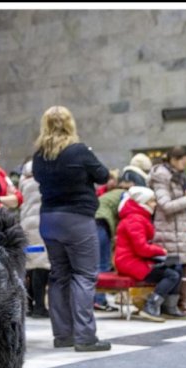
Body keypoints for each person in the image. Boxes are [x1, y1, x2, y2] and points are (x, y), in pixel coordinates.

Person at [32, 105, 111, 352]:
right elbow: (104, 175)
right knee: (84, 275)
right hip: (77, 219)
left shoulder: (39, 156)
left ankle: (63, 335)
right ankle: (85, 337)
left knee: (59, 276)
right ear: (70, 124)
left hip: (49, 219)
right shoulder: (79, 151)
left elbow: (37, 179)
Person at [148, 146, 186, 317]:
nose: (185, 164)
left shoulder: (179, 177)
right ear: (173, 159)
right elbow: (165, 206)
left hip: (181, 230)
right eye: (183, 160)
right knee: (178, 268)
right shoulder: (161, 176)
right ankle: (173, 304)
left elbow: (181, 204)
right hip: (168, 231)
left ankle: (180, 303)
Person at [114, 187, 186, 322]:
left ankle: (169, 307)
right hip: (130, 262)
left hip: (137, 260)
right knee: (172, 275)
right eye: (152, 201)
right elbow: (141, 248)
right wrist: (160, 251)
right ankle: (151, 305)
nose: (155, 204)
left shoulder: (139, 217)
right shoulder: (135, 219)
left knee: (177, 265)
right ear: (143, 202)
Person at [93, 174, 136, 311]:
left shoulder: (114, 193)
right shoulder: (125, 195)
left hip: (92, 222)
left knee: (96, 263)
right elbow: (124, 214)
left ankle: (95, 300)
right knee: (103, 263)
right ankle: (99, 301)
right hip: (101, 223)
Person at [18, 160, 50, 318]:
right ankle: (40, 306)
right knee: (41, 265)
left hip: (25, 224)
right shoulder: (42, 179)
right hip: (40, 223)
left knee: (29, 264)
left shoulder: (23, 181)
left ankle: (28, 305)